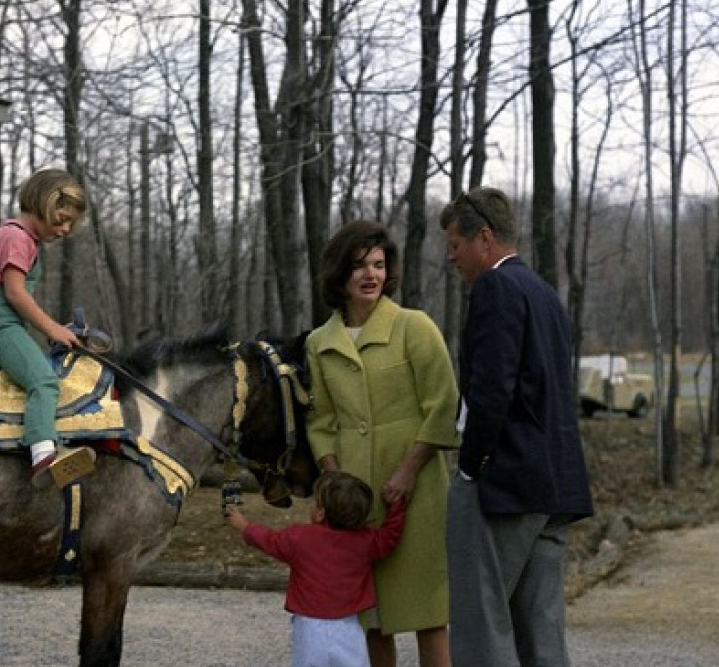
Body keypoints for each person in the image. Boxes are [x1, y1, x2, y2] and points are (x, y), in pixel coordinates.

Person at [438, 188, 595, 667]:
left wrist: (471, 466)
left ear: (483, 238)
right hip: (553, 488)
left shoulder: (496, 287)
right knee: (541, 632)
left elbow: (492, 389)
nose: (451, 257)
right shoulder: (545, 294)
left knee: (482, 625)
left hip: (502, 486)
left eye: (455, 244)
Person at [304, 220, 459, 667]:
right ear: (340, 275)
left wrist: (408, 471)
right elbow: (322, 422)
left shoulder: (415, 327)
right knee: (369, 614)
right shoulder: (320, 343)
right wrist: (334, 486)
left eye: (377, 264)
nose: (370, 274)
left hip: (418, 492)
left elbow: (443, 405)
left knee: (429, 611)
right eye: (358, 266)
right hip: (355, 500)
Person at [0, 168, 96, 489]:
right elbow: (14, 293)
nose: (65, 229)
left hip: (2, 319)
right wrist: (52, 329)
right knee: (44, 381)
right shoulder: (17, 238)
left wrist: (58, 329)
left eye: (71, 223)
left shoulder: (20, 238)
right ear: (39, 205)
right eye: (60, 219)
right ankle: (43, 455)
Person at [225, 471, 406, 667]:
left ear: (320, 514)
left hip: (309, 628)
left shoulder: (300, 538)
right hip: (349, 627)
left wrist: (244, 525)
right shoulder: (366, 542)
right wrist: (396, 506)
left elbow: (268, 540)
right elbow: (390, 537)